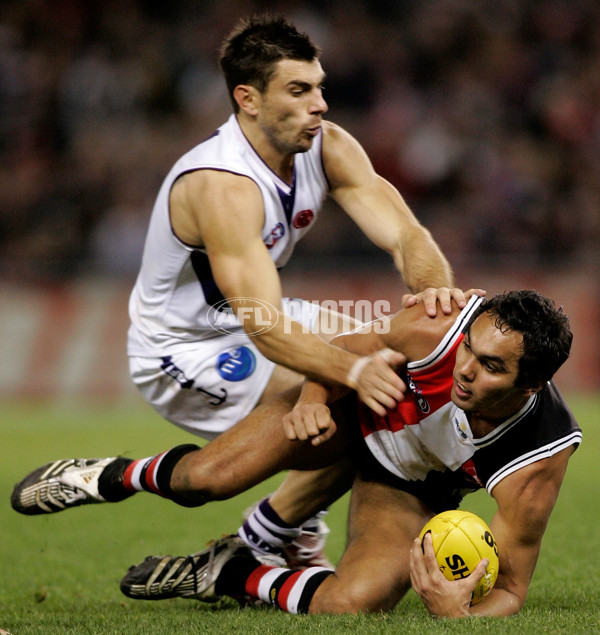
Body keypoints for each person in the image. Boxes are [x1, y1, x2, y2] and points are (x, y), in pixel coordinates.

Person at [10, 14, 468, 567]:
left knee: (383, 395)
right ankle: (116, 477)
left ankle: (265, 541)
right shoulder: (222, 186)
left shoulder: (328, 145)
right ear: (247, 99)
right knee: (266, 456)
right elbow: (264, 325)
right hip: (186, 347)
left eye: (318, 86)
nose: (319, 104)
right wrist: (344, 372)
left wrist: (435, 293)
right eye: (298, 91)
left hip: (266, 316)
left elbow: (405, 235)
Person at [112, 290, 580, 618]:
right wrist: (312, 400)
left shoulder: (538, 456)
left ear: (533, 385)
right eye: (470, 350)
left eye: (492, 367)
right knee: (208, 478)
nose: (466, 369)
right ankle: (112, 475)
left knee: (351, 603)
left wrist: (461, 614)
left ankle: (231, 572)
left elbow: (511, 590)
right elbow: (343, 349)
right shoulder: (438, 323)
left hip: (406, 482)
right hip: (350, 414)